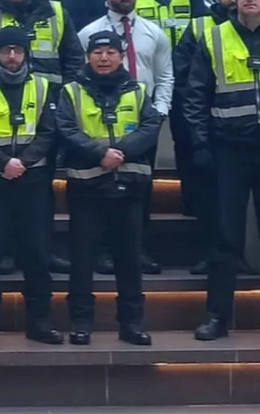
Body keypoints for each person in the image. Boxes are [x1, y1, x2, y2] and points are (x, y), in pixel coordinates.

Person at [186, 0, 260, 342]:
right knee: (225, 238)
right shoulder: (214, 37)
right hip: (229, 149)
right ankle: (217, 318)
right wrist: (200, 142)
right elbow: (194, 95)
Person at [58, 30, 160, 347]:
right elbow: (66, 127)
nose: (104, 58)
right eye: (98, 52)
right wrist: (99, 153)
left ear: (120, 56)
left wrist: (123, 153)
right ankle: (81, 323)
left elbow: (151, 125)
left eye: (110, 52)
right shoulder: (71, 91)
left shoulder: (140, 91)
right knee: (83, 260)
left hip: (129, 189)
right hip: (87, 187)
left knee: (129, 261)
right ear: (89, 56)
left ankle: (131, 324)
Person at [0, 27, 62, 346]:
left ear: (26, 54)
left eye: (17, 51)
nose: (11, 56)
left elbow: (49, 133)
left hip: (33, 184)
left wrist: (23, 162)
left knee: (36, 254)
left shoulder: (44, 86)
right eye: (6, 50)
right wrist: (3, 163)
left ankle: (39, 321)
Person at [78, 0, 173, 274]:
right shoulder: (89, 33)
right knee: (103, 188)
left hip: (143, 125)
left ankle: (137, 248)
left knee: (141, 189)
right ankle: (105, 250)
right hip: (99, 125)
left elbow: (165, 77)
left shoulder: (154, 33)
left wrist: (157, 113)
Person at [175, 0, 251, 276]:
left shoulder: (259, 31)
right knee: (209, 197)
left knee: (239, 201)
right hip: (206, 127)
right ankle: (211, 253)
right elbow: (183, 77)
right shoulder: (198, 26)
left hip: (243, 130)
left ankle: (240, 255)